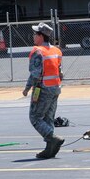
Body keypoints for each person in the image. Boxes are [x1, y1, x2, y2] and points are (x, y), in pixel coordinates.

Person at [21, 22, 65, 159]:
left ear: (41, 36)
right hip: (55, 88)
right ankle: (49, 149)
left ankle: (52, 138)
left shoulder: (37, 52)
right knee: (48, 118)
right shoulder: (56, 51)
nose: (33, 36)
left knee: (35, 117)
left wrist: (27, 89)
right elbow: (60, 72)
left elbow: (35, 74)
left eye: (35, 34)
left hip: (42, 88)